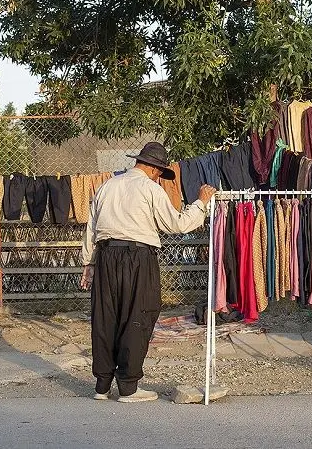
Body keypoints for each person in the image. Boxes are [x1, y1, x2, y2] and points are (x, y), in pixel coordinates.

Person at [80, 142, 216, 403]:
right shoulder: (149, 189)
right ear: (154, 169)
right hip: (138, 256)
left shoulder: (108, 185)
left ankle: (102, 385)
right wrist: (201, 203)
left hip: (107, 256)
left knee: (105, 317)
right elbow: (177, 224)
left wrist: (89, 263)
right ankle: (129, 387)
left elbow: (91, 227)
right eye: (159, 172)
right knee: (138, 314)